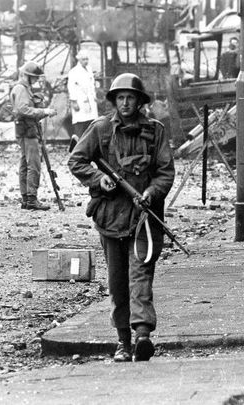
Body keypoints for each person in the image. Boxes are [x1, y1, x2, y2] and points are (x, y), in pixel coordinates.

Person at [68, 73, 175, 362]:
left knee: (141, 276)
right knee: (117, 283)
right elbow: (76, 160)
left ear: (140, 101)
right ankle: (123, 342)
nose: (126, 103)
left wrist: (152, 192)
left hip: (144, 219)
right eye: (120, 98)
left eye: (131, 98)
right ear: (114, 101)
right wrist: (98, 178)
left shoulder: (156, 131)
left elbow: (165, 171)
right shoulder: (101, 129)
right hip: (111, 217)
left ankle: (143, 335)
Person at [10, 60, 57, 211]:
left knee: (25, 164)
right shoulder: (22, 89)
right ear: (27, 76)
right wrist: (44, 111)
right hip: (28, 132)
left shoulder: (24, 88)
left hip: (26, 130)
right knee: (34, 165)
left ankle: (26, 198)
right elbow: (22, 109)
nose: (36, 80)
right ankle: (31, 199)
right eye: (34, 77)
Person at [67, 50, 98, 151]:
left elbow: (91, 84)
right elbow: (71, 87)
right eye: (84, 59)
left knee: (91, 122)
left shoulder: (89, 69)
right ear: (79, 60)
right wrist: (74, 101)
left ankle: (90, 147)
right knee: (80, 123)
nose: (86, 61)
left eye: (87, 59)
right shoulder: (74, 72)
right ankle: (78, 148)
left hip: (90, 100)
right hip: (80, 100)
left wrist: (94, 96)